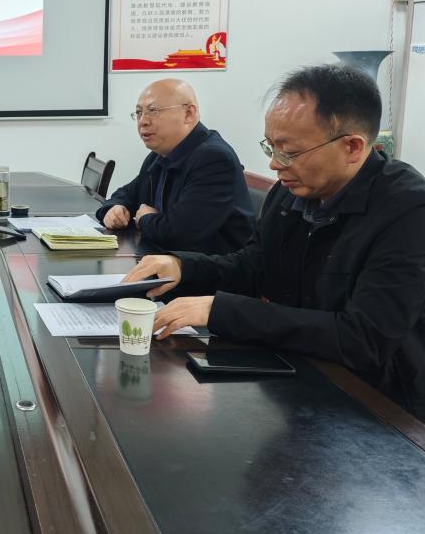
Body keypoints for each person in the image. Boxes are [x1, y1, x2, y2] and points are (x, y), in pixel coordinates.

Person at [124, 64, 425, 420]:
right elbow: (256, 266)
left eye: (289, 151)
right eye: (270, 146)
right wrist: (182, 266)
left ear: (352, 147)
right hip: (299, 376)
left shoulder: (408, 209)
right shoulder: (291, 192)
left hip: (381, 406)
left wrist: (222, 311)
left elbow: (362, 339)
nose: (274, 164)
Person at [96, 79, 254, 254]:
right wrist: (115, 208)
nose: (143, 121)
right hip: (164, 258)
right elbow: (127, 193)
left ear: (188, 113)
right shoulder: (160, 154)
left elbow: (179, 233)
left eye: (153, 111)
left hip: (207, 267)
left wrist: (145, 219)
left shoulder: (214, 159)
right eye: (139, 112)